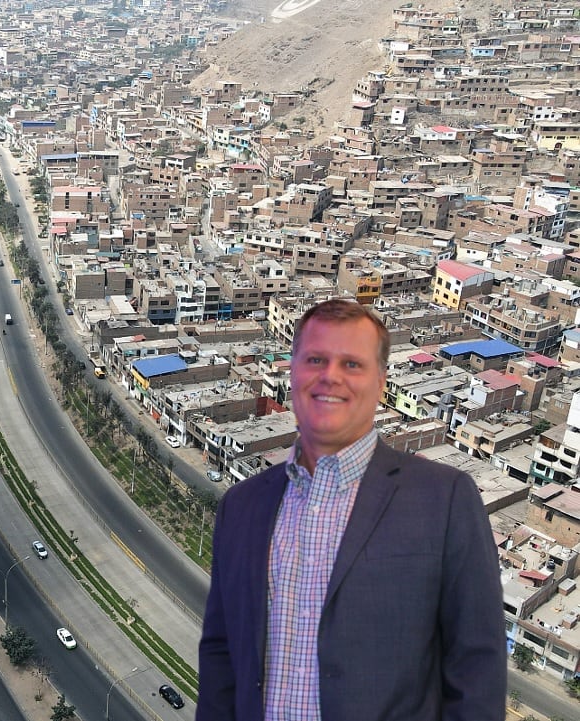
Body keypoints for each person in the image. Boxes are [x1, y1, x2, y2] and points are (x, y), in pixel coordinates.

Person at [197, 298, 505, 721]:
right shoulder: (242, 506)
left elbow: (477, 670)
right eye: (316, 359)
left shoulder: (444, 499)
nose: (330, 377)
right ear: (292, 370)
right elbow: (221, 653)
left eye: (352, 365)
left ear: (381, 384)